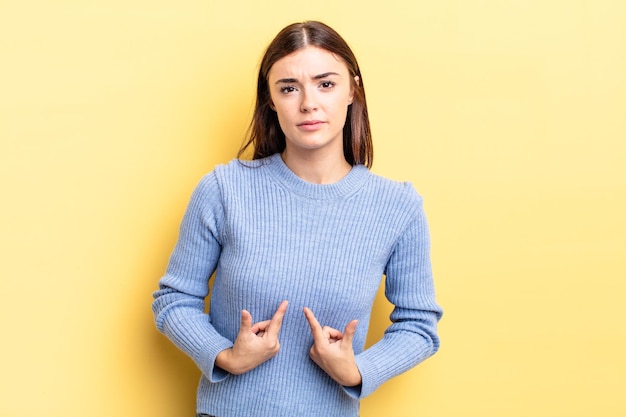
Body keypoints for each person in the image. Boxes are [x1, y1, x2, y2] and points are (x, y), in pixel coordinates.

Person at [152, 20, 443, 417]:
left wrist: (357, 370)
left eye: (326, 84)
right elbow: (174, 299)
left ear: (352, 89)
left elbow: (419, 325)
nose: (308, 103)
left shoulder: (397, 206)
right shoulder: (225, 189)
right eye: (289, 88)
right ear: (271, 100)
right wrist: (224, 356)